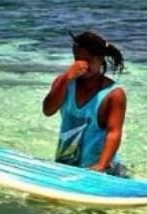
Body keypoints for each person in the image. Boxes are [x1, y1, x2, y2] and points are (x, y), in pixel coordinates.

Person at [42, 30, 128, 176]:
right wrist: (65, 79)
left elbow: (114, 132)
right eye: (78, 59)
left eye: (89, 59)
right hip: (65, 166)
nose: (83, 65)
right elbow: (48, 110)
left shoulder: (113, 94)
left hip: (104, 170)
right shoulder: (64, 83)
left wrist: (100, 166)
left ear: (101, 59)